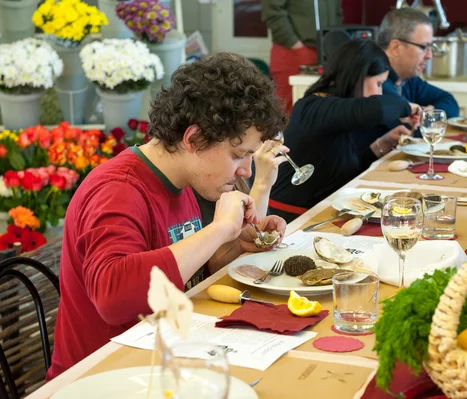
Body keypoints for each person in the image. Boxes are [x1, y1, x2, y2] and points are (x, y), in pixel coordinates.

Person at [47, 53, 288, 380]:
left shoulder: (183, 181)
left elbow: (182, 277)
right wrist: (217, 230)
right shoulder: (118, 189)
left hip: (161, 366)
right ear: (193, 139)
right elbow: (113, 298)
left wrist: (234, 248)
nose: (246, 170)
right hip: (101, 380)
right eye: (237, 155)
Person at [268, 39, 420, 222]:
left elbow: (340, 174)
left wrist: (381, 145)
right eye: (379, 83)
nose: (380, 92)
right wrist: (410, 108)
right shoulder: (314, 107)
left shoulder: (333, 109)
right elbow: (378, 108)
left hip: (321, 210)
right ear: (359, 76)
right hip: (293, 219)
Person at [377, 7, 460, 125]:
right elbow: (406, 128)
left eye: (430, 48)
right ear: (395, 47)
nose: (429, 56)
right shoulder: (376, 83)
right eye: (423, 47)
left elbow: (450, 103)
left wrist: (427, 116)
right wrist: (426, 116)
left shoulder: (409, 79)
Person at [261, 0, 342, 115]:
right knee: (287, 112)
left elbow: (337, 12)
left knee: (322, 111)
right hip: (293, 51)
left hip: (326, 51)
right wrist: (294, 44)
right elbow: (272, 10)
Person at [195, 139, 290, 225]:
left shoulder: (239, 179)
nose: (248, 172)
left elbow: (251, 232)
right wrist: (261, 183)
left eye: (252, 154)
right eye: (239, 155)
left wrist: (264, 184)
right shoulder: (197, 189)